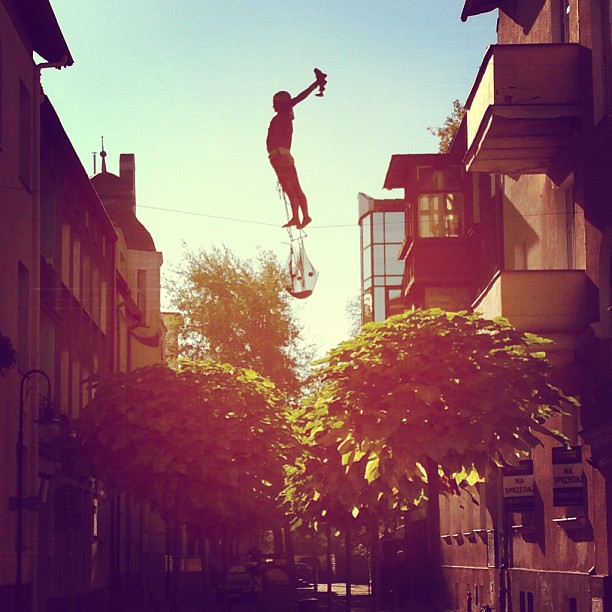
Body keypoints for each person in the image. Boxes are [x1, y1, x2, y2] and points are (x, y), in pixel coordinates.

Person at [267, 69, 327, 230]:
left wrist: (316, 84)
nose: (273, 104)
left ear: (282, 102)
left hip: (281, 156)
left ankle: (305, 216)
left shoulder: (285, 113)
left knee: (294, 186)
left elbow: (300, 97)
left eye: (275, 101)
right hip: (276, 157)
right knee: (288, 187)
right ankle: (297, 217)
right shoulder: (278, 117)